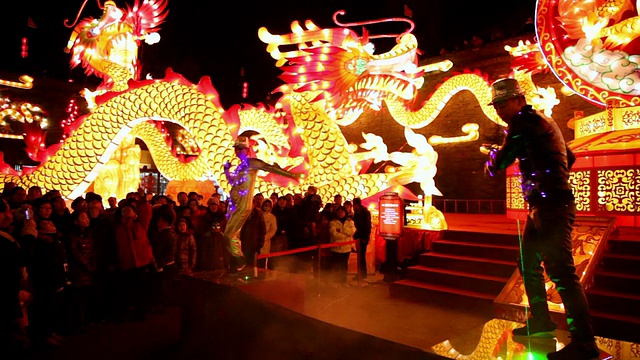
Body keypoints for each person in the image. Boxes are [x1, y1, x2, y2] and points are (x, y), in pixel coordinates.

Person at [484, 78, 599, 360]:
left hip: (552, 207)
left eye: (502, 103)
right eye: (496, 105)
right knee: (528, 263)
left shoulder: (522, 124)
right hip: (545, 205)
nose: (498, 110)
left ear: (518, 100)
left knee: (562, 273)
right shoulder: (544, 122)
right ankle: (540, 321)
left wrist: (490, 156)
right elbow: (568, 157)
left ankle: (585, 344)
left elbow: (498, 164)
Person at [223, 135, 303, 272]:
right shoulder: (239, 167)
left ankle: (240, 260)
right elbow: (232, 182)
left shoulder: (251, 163)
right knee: (232, 235)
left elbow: (268, 168)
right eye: (237, 149)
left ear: (247, 150)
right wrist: (226, 170)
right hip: (235, 203)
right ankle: (236, 263)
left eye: (241, 149)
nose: (238, 151)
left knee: (229, 235)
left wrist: (291, 175)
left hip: (243, 204)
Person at [352, 198, 372, 281]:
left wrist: (365, 236)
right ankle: (361, 273)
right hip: (359, 236)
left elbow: (367, 225)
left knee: (362, 256)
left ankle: (363, 274)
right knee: (360, 256)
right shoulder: (357, 212)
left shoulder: (364, 212)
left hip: (363, 236)